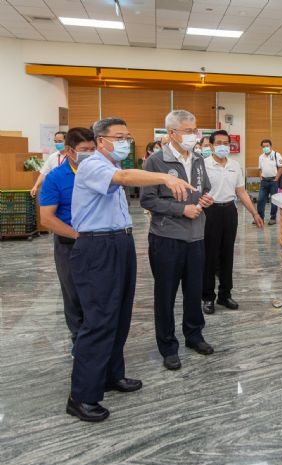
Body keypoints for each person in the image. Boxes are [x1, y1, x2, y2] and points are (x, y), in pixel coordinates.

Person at [67, 117, 194, 422]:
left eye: (127, 136)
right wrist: (165, 178)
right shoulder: (92, 165)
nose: (125, 142)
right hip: (98, 247)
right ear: (101, 141)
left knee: (120, 315)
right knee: (99, 320)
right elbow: (124, 177)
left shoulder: (109, 165)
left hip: (119, 242)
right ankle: (82, 396)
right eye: (119, 137)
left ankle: (111, 375)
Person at [141, 110, 215, 371]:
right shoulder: (155, 161)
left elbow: (204, 187)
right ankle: (168, 346)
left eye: (195, 130)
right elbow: (147, 200)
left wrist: (205, 199)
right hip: (167, 237)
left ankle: (194, 335)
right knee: (166, 294)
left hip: (196, 236)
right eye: (188, 131)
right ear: (172, 133)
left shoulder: (198, 159)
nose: (194, 135)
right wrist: (181, 209)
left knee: (194, 290)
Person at [38, 127, 94, 345]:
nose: (90, 154)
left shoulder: (100, 172)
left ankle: (97, 337)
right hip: (70, 243)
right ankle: (79, 340)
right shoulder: (56, 178)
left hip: (99, 242)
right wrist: (77, 235)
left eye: (92, 149)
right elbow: (47, 218)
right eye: (84, 150)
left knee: (98, 292)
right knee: (73, 293)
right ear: (70, 151)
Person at [202, 130, 264, 314]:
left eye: (226, 143)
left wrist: (254, 213)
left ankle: (225, 294)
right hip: (209, 212)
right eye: (218, 143)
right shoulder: (203, 165)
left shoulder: (235, 165)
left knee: (227, 254)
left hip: (229, 211)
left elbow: (241, 191)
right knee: (210, 256)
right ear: (211, 145)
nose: (223, 146)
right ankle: (207, 296)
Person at [31, 131, 68, 197]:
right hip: (55, 188)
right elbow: (44, 173)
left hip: (68, 187)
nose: (57, 144)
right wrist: (36, 186)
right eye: (55, 141)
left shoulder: (72, 156)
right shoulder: (52, 157)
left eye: (60, 141)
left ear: (67, 142)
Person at [257, 138, 282, 225]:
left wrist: (276, 179)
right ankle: (260, 218)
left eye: (267, 146)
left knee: (274, 201)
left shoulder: (277, 155)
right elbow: (260, 169)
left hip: (273, 181)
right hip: (264, 181)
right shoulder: (261, 157)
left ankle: (273, 218)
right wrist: (261, 177)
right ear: (262, 147)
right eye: (263, 146)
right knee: (260, 200)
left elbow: (281, 168)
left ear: (270, 146)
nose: (265, 148)